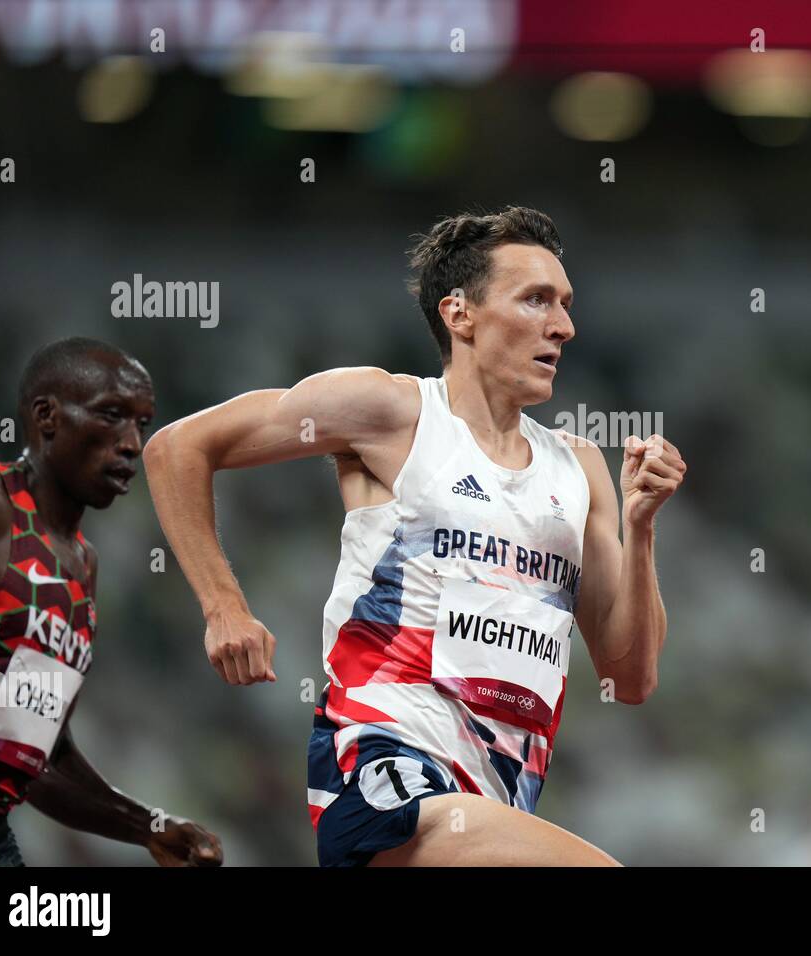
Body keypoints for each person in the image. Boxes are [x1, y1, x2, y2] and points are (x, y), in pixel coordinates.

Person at [143, 206, 687, 866]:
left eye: (566, 304)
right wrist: (224, 605)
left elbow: (629, 677)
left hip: (498, 797)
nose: (564, 326)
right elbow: (178, 448)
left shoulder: (581, 469)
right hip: (386, 780)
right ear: (460, 315)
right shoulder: (390, 411)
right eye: (536, 300)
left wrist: (641, 525)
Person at [0, 337, 223, 867]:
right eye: (111, 416)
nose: (131, 444)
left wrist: (148, 825)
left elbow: (34, 750)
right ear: (46, 417)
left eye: (142, 425)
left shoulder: (82, 567)